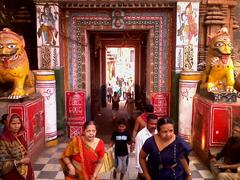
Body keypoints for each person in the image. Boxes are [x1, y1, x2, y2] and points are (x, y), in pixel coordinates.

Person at [0, 114, 34, 180]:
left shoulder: (20, 136)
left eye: (18, 123)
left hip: (26, 171)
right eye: (13, 124)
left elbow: (24, 151)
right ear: (8, 124)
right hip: (12, 174)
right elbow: (3, 164)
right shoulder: (4, 140)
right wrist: (21, 161)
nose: (16, 126)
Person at [135, 114, 158, 180]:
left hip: (155, 167)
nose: (154, 126)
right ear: (147, 123)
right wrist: (141, 171)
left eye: (155, 124)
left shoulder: (158, 133)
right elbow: (138, 154)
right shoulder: (140, 135)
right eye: (151, 124)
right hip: (145, 168)